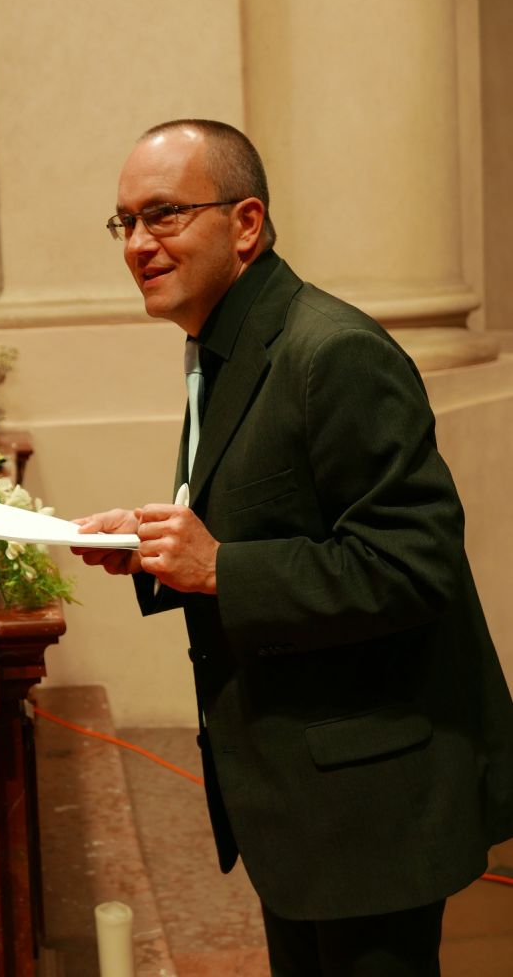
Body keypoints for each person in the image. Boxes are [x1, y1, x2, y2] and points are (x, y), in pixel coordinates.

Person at [71, 118, 513, 976]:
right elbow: (266, 526)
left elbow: (411, 562)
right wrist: (156, 548)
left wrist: (217, 567)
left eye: (163, 214)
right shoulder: (226, 344)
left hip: (369, 803)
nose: (136, 244)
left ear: (245, 223)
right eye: (124, 222)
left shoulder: (331, 351)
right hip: (298, 800)